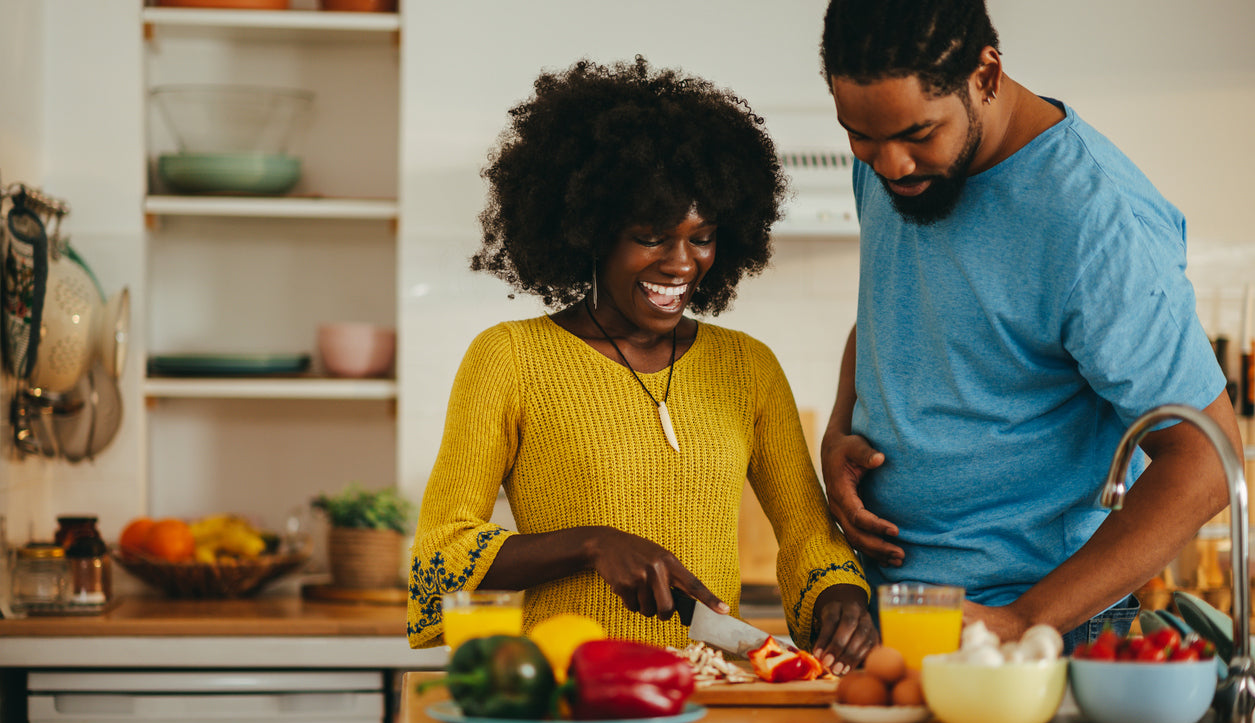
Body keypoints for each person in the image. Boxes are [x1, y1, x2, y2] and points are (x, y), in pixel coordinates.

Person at [407, 57, 876, 673]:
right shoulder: (509, 358)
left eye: (701, 236)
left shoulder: (748, 367)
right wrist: (591, 545)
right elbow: (439, 556)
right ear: (591, 232)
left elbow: (807, 533)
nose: (682, 263)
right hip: (568, 690)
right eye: (652, 237)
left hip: (707, 692)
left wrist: (840, 594)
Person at [817, 0, 1240, 652]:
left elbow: (1206, 458)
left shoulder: (1092, 219)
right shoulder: (888, 162)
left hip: (1034, 632)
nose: (890, 164)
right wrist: (840, 426)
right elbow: (887, 308)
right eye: (859, 135)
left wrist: (1025, 620)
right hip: (884, 613)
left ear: (984, 74)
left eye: (916, 135)